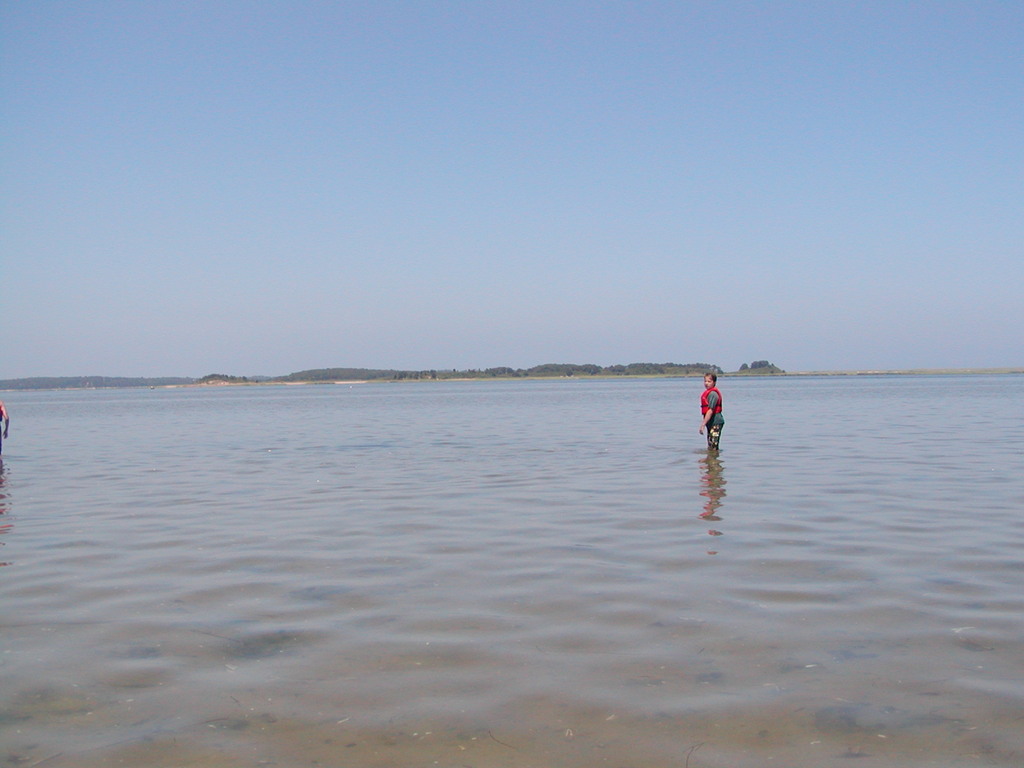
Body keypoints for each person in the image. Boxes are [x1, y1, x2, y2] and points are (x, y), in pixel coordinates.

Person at [698, 373, 724, 451]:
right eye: (705, 381)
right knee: (710, 445)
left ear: (714, 382)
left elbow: (710, 410)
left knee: (713, 446)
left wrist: (703, 424)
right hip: (710, 422)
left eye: (709, 381)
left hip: (716, 422)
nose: (706, 383)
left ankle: (714, 461)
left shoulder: (713, 394)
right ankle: (710, 462)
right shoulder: (708, 393)